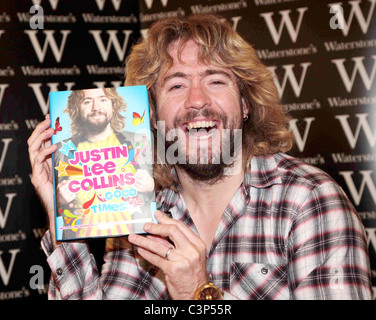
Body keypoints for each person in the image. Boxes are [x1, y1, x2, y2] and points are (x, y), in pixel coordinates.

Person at [28, 14, 372, 300]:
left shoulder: (309, 201)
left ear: (246, 103)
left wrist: (199, 293)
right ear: (152, 116)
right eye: (176, 85)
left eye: (216, 81)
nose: (197, 100)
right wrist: (64, 218)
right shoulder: (141, 211)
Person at [50, 87, 154, 239]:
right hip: (81, 243)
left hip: (134, 242)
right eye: (87, 101)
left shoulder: (138, 141)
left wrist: (151, 186)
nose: (95, 107)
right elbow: (56, 208)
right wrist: (58, 201)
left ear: (113, 105)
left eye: (103, 100)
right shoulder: (60, 150)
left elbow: (165, 196)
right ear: (77, 108)